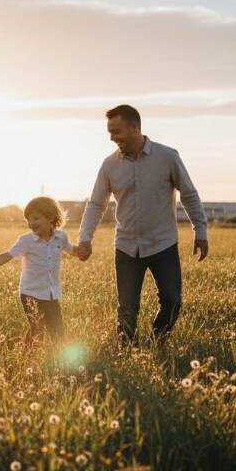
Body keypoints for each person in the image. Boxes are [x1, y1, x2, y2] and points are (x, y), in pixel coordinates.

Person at [77, 105, 208, 348]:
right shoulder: (109, 165)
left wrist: (200, 231)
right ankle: (127, 352)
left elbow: (189, 194)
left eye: (116, 131)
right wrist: (85, 237)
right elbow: (96, 204)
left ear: (134, 127)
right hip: (126, 247)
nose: (112, 138)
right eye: (109, 132)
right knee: (127, 308)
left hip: (163, 244)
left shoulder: (168, 157)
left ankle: (159, 339)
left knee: (172, 300)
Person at [0, 196, 80, 344]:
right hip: (30, 293)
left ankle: (59, 360)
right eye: (28, 219)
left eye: (36, 218)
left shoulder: (61, 237)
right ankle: (27, 359)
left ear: (50, 217)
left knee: (58, 331)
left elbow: (71, 249)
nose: (31, 223)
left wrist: (82, 252)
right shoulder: (26, 240)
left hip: (51, 293)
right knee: (37, 329)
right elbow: (6, 255)